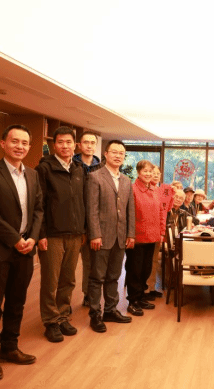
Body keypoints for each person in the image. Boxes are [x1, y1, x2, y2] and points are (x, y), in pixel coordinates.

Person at [0, 125, 43, 381]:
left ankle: (10, 347)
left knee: (17, 301)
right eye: (15, 141)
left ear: (29, 146)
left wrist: (33, 237)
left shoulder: (33, 175)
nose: (20, 146)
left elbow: (39, 209)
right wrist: (15, 240)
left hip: (25, 249)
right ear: (3, 143)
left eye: (25, 143)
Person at [36, 127, 86, 343]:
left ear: (75, 145)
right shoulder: (44, 169)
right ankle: (50, 321)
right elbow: (39, 204)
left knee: (68, 279)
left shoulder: (78, 169)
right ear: (54, 145)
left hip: (75, 234)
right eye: (60, 142)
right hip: (53, 235)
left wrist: (83, 230)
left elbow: (82, 202)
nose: (65, 146)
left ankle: (63, 315)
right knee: (51, 280)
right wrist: (41, 234)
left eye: (68, 142)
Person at [86, 140, 136, 333]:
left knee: (114, 276)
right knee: (97, 277)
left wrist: (130, 233)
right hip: (101, 236)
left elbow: (130, 210)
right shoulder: (95, 177)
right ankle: (95, 314)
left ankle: (110, 310)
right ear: (106, 154)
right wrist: (95, 234)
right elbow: (92, 209)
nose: (118, 156)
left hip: (120, 236)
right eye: (114, 152)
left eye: (121, 153)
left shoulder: (126, 180)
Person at [127, 160, 165, 317]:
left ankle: (141, 296)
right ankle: (133, 301)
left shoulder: (155, 190)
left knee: (146, 269)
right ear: (138, 172)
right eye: (145, 171)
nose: (148, 174)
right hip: (137, 236)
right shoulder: (132, 189)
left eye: (151, 171)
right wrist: (129, 235)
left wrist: (161, 232)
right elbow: (128, 214)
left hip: (153, 236)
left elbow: (161, 212)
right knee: (135, 270)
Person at [73, 131, 105, 308]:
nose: (89, 146)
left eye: (93, 143)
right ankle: (63, 302)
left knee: (90, 264)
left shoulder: (101, 168)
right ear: (79, 145)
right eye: (86, 142)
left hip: (93, 225)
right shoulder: (71, 165)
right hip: (73, 223)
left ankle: (88, 295)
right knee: (67, 267)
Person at [147, 166, 174, 300]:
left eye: (158, 173)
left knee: (153, 260)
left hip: (159, 229)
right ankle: (145, 289)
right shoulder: (147, 190)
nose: (156, 175)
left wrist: (172, 194)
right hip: (147, 229)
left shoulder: (162, 190)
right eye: (153, 173)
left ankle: (151, 287)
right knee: (146, 261)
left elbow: (167, 209)